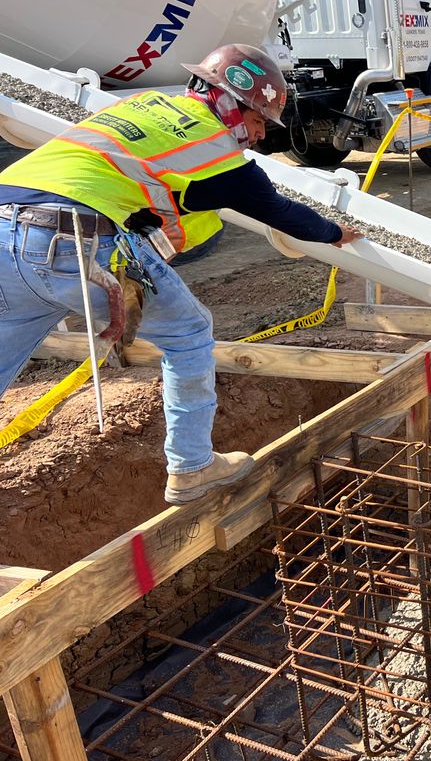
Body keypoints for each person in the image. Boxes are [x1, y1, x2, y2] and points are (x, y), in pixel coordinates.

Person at [0, 44, 363, 503]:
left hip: (5, 227)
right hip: (74, 238)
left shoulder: (142, 106)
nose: (255, 138)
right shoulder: (219, 152)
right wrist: (334, 233)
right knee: (190, 334)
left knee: (10, 335)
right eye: (256, 124)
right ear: (234, 105)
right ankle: (191, 466)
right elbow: (278, 211)